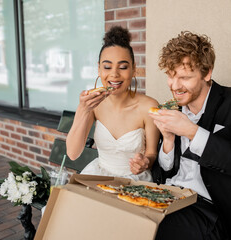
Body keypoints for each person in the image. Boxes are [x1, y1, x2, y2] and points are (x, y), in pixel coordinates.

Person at [149, 31, 231, 240]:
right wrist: (167, 140)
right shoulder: (173, 108)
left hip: (215, 211)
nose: (175, 86)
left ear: (207, 73)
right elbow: (165, 173)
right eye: (170, 75)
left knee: (153, 229)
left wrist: (193, 132)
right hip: (170, 200)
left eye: (184, 77)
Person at [66, 26, 160, 182]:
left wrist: (145, 162)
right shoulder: (93, 104)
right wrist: (82, 110)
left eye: (123, 67)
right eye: (107, 67)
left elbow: (151, 154)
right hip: (99, 175)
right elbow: (72, 153)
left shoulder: (149, 107)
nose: (114, 74)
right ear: (99, 69)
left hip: (135, 181)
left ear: (134, 70)